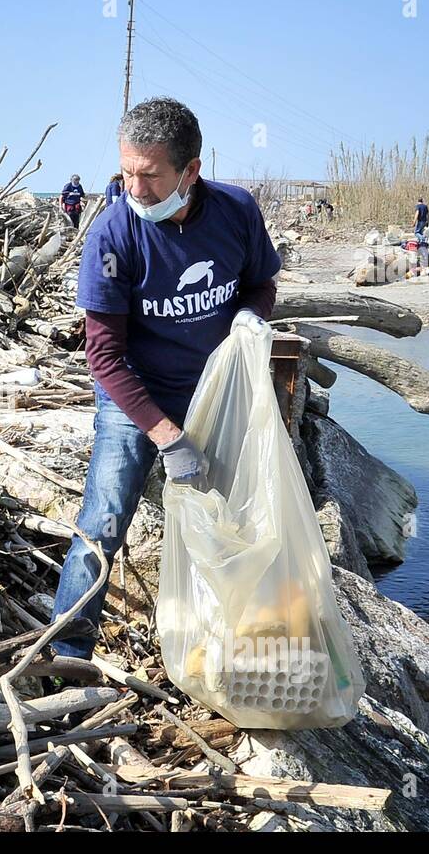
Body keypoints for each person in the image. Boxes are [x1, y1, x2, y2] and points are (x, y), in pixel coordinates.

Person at [49, 97, 280, 662]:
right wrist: (164, 435)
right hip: (134, 392)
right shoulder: (111, 235)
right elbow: (103, 355)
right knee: (102, 520)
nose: (135, 187)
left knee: (240, 518)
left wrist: (252, 314)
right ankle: (67, 651)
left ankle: (232, 645)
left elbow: (260, 283)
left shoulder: (237, 211)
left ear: (191, 171)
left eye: (150, 175)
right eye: (127, 170)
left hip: (214, 392)